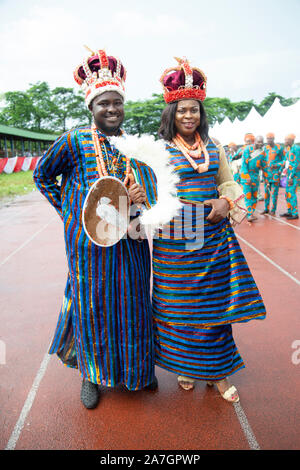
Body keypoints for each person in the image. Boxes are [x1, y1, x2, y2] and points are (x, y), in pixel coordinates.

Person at [33, 48, 162, 409]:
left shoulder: (134, 145)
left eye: (116, 103)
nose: (111, 109)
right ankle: (92, 376)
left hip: (131, 241)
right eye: (103, 103)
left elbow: (151, 195)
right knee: (93, 307)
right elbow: (42, 175)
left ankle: (139, 372)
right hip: (87, 247)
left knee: (134, 302)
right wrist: (71, 213)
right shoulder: (74, 140)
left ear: (123, 106)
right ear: (91, 106)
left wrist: (139, 196)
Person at [152, 56, 266, 403]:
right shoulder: (156, 151)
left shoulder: (214, 147)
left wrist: (226, 203)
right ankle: (188, 367)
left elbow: (229, 184)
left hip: (214, 240)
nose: (190, 116)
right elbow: (148, 197)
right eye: (183, 110)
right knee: (178, 310)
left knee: (214, 310)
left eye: (195, 110)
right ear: (172, 113)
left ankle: (216, 373)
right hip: (174, 244)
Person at [240, 135, 269, 222]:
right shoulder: (247, 150)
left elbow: (264, 167)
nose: (260, 143)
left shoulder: (263, 153)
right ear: (255, 141)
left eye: (261, 142)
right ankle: (249, 214)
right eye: (258, 141)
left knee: (254, 196)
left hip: (255, 177)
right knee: (248, 196)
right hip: (246, 177)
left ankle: (250, 212)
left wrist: (267, 180)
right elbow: (244, 165)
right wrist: (247, 176)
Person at [261, 132, 284, 216]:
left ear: (273, 139)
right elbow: (262, 159)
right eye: (267, 138)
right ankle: (266, 209)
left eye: (270, 138)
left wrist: (278, 167)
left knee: (274, 193)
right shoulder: (265, 148)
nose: (268, 140)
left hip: (275, 174)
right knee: (266, 192)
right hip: (266, 175)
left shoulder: (279, 148)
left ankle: (273, 210)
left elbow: (284, 160)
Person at [280, 134, 300, 220]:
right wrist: (279, 170)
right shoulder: (289, 149)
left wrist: (291, 177)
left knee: (291, 193)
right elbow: (285, 161)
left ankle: (295, 213)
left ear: (291, 140)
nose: (285, 142)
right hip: (289, 175)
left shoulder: (296, 148)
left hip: (294, 175)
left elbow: (297, 163)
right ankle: (290, 211)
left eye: (286, 140)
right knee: (287, 194)